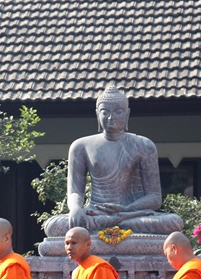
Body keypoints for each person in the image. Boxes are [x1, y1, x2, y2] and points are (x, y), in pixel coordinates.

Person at [42, 87, 182, 237]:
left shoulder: (144, 145)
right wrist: (76, 208)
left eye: (118, 112)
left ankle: (114, 221)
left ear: (127, 114)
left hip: (132, 215)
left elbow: (154, 197)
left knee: (173, 222)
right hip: (95, 213)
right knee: (53, 226)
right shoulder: (81, 146)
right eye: (105, 112)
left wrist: (126, 210)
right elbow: (75, 191)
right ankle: (110, 221)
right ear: (97, 114)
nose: (111, 117)